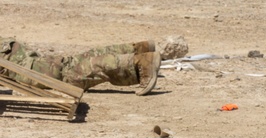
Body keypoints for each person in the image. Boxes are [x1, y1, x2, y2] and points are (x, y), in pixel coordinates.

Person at [0, 37, 161, 95]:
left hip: (10, 62)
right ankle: (137, 49)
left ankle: (139, 64)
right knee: (72, 63)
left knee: (69, 74)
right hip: (8, 51)